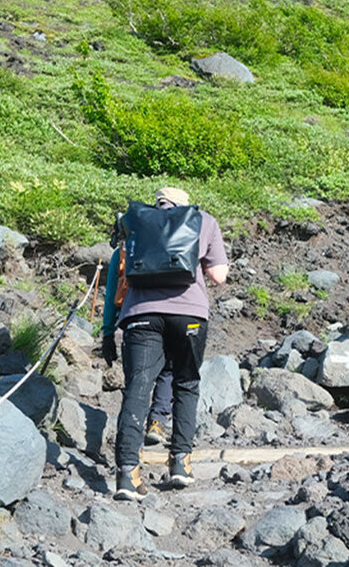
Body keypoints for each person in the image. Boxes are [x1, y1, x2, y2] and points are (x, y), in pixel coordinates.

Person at [109, 187, 228, 500]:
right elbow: (218, 276)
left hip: (140, 314)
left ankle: (127, 474)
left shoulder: (136, 221)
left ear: (157, 202)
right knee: (186, 383)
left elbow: (119, 263)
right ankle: (180, 463)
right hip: (188, 314)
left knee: (136, 389)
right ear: (184, 205)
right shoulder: (204, 220)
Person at [101, 243, 173, 446]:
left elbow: (111, 296)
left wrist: (108, 332)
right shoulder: (175, 243)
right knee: (168, 370)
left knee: (137, 380)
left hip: (136, 320)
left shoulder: (123, 250)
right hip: (174, 315)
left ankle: (131, 437)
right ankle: (157, 422)